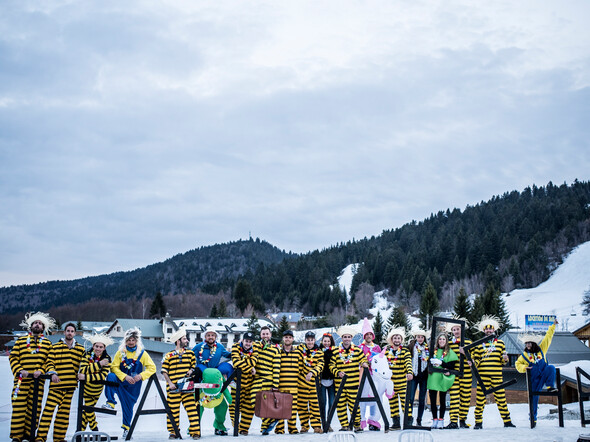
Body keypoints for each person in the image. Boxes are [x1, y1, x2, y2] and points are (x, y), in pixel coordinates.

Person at [103, 327, 157, 438]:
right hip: (121, 382)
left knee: (128, 407)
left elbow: (152, 368)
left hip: (133, 386)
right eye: (128, 340)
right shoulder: (120, 353)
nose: (131, 342)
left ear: (136, 341)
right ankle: (110, 402)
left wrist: (141, 376)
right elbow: (113, 367)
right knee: (110, 376)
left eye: (133, 340)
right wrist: (124, 376)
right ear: (125, 341)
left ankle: (126, 429)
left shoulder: (142, 354)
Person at [9, 312, 55, 442]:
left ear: (43, 327)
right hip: (20, 381)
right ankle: (17, 436)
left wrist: (41, 370)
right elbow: (13, 357)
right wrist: (19, 369)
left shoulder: (47, 343)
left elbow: (49, 361)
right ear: (31, 326)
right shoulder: (21, 341)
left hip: (37, 383)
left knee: (34, 408)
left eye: (40, 323)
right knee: (18, 408)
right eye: (35, 323)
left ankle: (30, 434)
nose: (37, 325)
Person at [36, 322, 85, 442]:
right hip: (56, 386)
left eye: (72, 331)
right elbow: (50, 362)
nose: (69, 333)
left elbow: (84, 364)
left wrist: (82, 374)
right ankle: (41, 437)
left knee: (63, 415)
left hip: (70, 387)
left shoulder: (80, 349)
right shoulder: (55, 347)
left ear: (75, 333)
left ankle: (59, 438)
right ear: (64, 332)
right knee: (48, 413)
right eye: (67, 331)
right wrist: (52, 373)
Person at [470, 315, 515, 429]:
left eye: (491, 329)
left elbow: (503, 362)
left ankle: (507, 421)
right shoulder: (479, 344)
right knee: (480, 399)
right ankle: (478, 423)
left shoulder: (500, 343)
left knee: (501, 399)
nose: (489, 330)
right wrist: (473, 362)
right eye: (486, 329)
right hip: (483, 377)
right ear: (484, 330)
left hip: (497, 376)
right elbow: (476, 360)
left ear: (494, 330)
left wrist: (506, 359)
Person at [515, 319, 558, 427]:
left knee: (551, 368)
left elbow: (548, 337)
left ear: (533, 343)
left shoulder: (542, 349)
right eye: (526, 343)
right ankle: (533, 418)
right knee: (534, 400)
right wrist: (525, 367)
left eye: (529, 343)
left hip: (543, 375)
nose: (528, 345)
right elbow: (517, 364)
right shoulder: (524, 355)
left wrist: (552, 326)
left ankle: (550, 387)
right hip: (533, 380)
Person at [161, 328, 200, 440]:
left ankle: (195, 431)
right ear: (178, 341)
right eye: (184, 338)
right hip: (173, 388)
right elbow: (164, 371)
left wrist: (191, 371)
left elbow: (194, 366)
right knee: (172, 411)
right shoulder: (168, 355)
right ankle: (173, 431)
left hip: (187, 387)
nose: (186, 340)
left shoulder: (190, 353)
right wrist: (170, 383)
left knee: (192, 409)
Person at [329, 326, 368, 432]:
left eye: (348, 337)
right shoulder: (336, 351)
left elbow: (363, 360)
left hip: (353, 384)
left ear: (351, 338)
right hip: (340, 384)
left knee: (354, 405)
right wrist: (337, 372)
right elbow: (331, 366)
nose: (346, 339)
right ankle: (344, 425)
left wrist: (364, 363)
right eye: (344, 337)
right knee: (341, 406)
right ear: (342, 338)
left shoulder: (357, 350)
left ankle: (356, 425)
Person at [79, 332, 114, 432]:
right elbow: (83, 370)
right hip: (86, 389)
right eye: (96, 346)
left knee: (87, 411)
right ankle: (94, 429)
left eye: (101, 347)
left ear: (104, 348)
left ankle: (80, 431)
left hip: (97, 389)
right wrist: (99, 364)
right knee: (88, 410)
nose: (98, 349)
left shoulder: (107, 359)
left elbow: (102, 376)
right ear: (93, 346)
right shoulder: (87, 355)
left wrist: (85, 377)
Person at [250, 326, 281, 435]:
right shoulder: (256, 346)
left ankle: (265, 429)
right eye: (263, 334)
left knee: (266, 404)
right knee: (254, 401)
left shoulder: (275, 349)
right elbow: (246, 345)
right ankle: (271, 420)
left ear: (270, 335)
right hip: (257, 379)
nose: (265, 336)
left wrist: (275, 384)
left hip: (268, 380)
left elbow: (276, 368)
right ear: (260, 335)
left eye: (267, 334)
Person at [445, 318, 472, 429]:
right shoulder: (449, 343)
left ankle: (463, 420)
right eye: (454, 330)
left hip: (466, 374)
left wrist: (465, 353)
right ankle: (453, 421)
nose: (456, 331)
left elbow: (473, 358)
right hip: (453, 374)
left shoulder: (469, 342)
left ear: (462, 329)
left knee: (465, 397)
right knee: (454, 397)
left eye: (458, 329)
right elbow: (445, 357)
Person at [427, 333, 458, 429]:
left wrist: (442, 363)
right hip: (433, 377)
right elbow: (426, 361)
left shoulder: (449, 352)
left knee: (442, 400)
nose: (441, 341)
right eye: (440, 339)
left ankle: (441, 420)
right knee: (432, 401)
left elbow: (452, 366)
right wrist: (431, 364)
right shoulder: (433, 351)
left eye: (443, 339)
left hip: (442, 378)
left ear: (446, 341)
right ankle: (434, 420)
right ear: (437, 341)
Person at [383, 327, 413, 429]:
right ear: (391, 340)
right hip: (391, 383)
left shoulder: (405, 351)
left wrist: (409, 372)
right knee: (393, 404)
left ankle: (408, 422)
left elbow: (408, 362)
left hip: (402, 382)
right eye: (395, 338)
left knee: (406, 403)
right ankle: (396, 423)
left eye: (398, 338)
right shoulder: (386, 352)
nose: (396, 340)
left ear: (401, 340)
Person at [229, 331, 256, 435]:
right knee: (233, 405)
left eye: (250, 341)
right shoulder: (235, 347)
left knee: (248, 407)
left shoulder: (255, 349)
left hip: (249, 383)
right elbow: (236, 363)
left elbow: (254, 361)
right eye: (246, 341)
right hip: (237, 383)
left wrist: (250, 365)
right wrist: (250, 367)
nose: (248, 343)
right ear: (242, 340)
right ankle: (236, 425)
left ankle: (244, 429)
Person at [297, 331, 324, 433]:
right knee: (302, 406)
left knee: (314, 406)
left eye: (311, 340)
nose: (310, 342)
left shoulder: (319, 352)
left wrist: (312, 372)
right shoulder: (300, 350)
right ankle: (304, 426)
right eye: (308, 340)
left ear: (314, 340)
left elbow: (320, 365)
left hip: (314, 384)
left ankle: (316, 426)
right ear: (305, 340)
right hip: (301, 384)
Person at [273, 330, 300, 434]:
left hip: (293, 386)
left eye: (289, 337)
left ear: (292, 339)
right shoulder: (277, 351)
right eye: (286, 337)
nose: (287, 339)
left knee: (292, 408)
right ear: (283, 339)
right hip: (280, 385)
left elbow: (301, 367)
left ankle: (292, 428)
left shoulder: (298, 352)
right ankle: (279, 429)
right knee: (279, 407)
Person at [358, 318, 382, 431]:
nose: (368, 336)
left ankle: (373, 420)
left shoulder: (377, 347)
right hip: (363, 376)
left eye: (370, 334)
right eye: (366, 334)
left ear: (372, 336)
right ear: (364, 336)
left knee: (375, 398)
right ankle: (361, 420)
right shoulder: (360, 348)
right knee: (362, 398)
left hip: (375, 376)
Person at [407, 329, 429, 427]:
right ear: (415, 337)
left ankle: (419, 419)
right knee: (411, 398)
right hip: (414, 375)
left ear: (424, 338)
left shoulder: (427, 348)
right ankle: (409, 417)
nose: (420, 339)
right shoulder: (411, 346)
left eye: (422, 337)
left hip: (424, 376)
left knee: (421, 399)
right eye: (418, 337)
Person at [319, 333, 336, 430]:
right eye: (325, 341)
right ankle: (323, 422)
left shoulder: (334, 351)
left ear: (331, 342)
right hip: (322, 380)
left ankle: (328, 422)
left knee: (332, 403)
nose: (326, 343)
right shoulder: (318, 351)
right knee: (323, 403)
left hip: (332, 380)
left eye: (328, 341)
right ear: (322, 341)